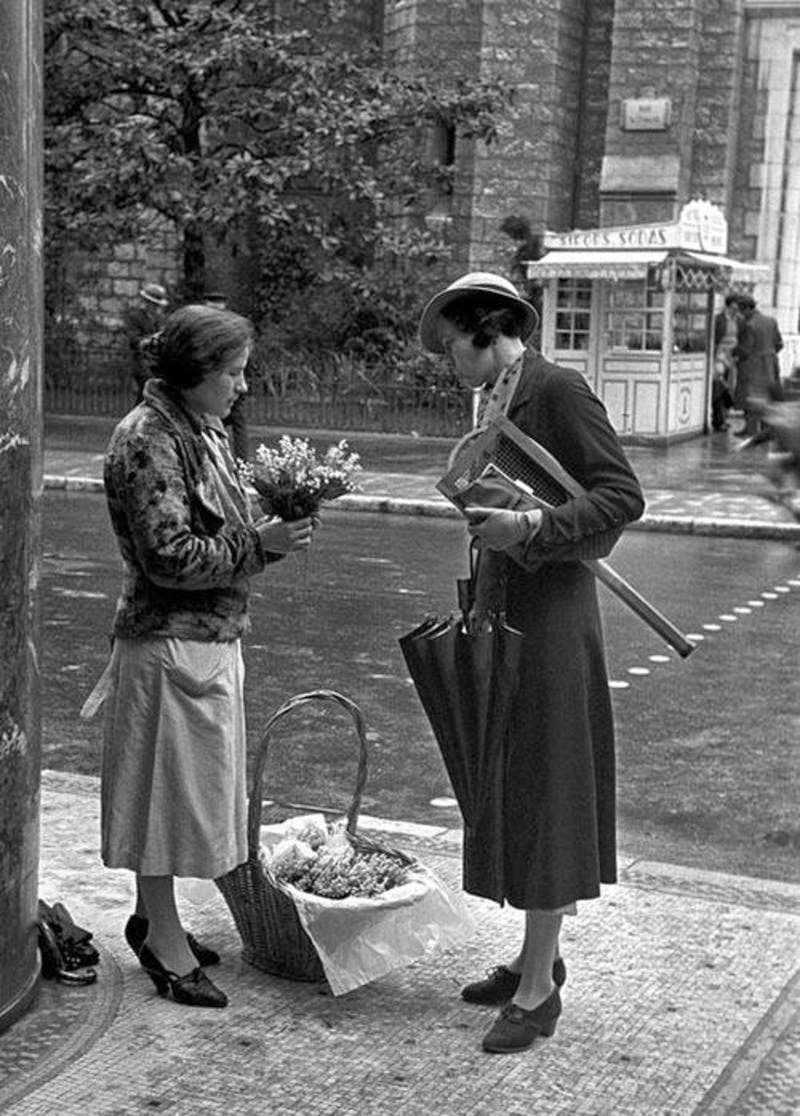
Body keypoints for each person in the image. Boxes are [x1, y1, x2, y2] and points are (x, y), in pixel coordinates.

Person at [418, 272, 645, 1054]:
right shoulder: (498, 399)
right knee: (514, 786)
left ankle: (541, 990)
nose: (447, 360)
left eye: (451, 344)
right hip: (507, 613)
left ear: (486, 329)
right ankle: (530, 958)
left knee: (547, 793)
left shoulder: (558, 389)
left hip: (550, 624)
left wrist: (529, 526)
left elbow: (621, 497)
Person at [97, 304, 314, 1008]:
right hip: (168, 644)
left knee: (193, 798)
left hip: (205, 640)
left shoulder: (199, 428)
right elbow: (169, 557)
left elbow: (220, 525)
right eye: (232, 372)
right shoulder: (149, 438)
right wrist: (262, 547)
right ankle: (160, 940)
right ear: (195, 374)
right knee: (165, 799)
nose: (242, 386)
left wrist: (273, 524)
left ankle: (161, 922)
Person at [200, 292, 250, 462]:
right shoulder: (198, 333)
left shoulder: (232, 330)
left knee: (236, 421)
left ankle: (242, 464)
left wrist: (236, 375)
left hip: (221, 386)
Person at [732, 295, 783, 437]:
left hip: (752, 366)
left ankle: (750, 429)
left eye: (741, 311)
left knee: (750, 397)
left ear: (748, 309)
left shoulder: (750, 325)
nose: (741, 315)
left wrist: (734, 353)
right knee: (767, 397)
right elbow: (779, 344)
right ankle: (766, 429)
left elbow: (745, 348)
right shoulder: (771, 321)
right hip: (771, 367)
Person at [122, 282, 171, 403]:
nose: (156, 308)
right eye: (154, 305)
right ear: (147, 303)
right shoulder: (135, 317)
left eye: (157, 305)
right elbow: (134, 341)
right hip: (141, 362)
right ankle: (137, 419)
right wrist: (153, 338)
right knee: (147, 391)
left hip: (156, 363)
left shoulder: (159, 319)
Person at [711, 294, 741, 431]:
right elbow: (714, 339)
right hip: (719, 356)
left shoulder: (739, 321)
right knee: (719, 386)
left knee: (730, 388)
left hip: (732, 357)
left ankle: (724, 416)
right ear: (727, 306)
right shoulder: (719, 320)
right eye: (733, 308)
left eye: (737, 308)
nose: (735, 311)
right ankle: (718, 418)